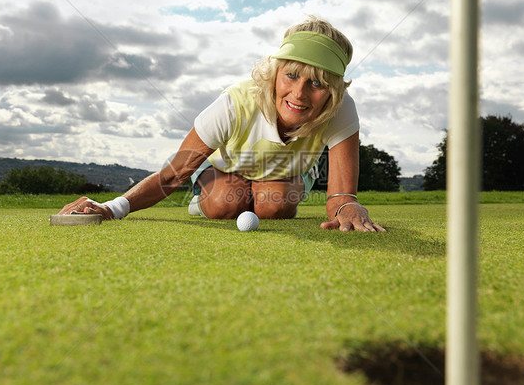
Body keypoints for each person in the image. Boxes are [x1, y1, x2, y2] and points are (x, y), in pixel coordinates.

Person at [58, 16, 385, 232]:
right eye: (291, 75)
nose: (298, 94)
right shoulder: (235, 103)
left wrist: (347, 209)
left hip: (285, 173)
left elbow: (341, 193)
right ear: (276, 71)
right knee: (224, 202)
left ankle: (261, 193)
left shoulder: (341, 109)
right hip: (225, 170)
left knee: (275, 206)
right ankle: (203, 200)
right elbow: (174, 173)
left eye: (316, 83)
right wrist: (110, 208)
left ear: (333, 90)